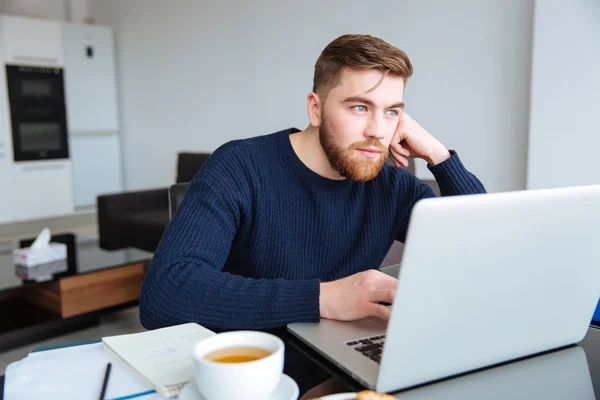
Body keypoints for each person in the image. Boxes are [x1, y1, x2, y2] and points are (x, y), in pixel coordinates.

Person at [139, 33, 486, 393]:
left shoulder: (389, 183)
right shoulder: (240, 167)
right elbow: (165, 293)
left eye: (392, 112)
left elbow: (482, 246)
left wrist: (439, 156)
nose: (377, 131)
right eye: (359, 107)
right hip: (259, 376)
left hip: (349, 364)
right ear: (315, 108)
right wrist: (323, 297)